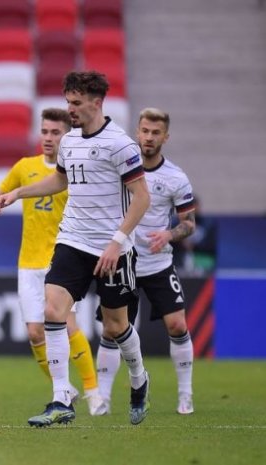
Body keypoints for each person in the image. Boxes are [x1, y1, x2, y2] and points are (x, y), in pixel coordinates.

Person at [0, 71, 152, 427]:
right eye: (68, 102)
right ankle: (61, 397)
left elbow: (142, 198)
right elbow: (60, 180)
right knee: (53, 309)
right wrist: (19, 192)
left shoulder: (120, 145)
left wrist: (118, 242)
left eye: (76, 103)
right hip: (73, 240)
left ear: (97, 103)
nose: (71, 109)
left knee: (114, 327)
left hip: (112, 247)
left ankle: (139, 377)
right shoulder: (69, 141)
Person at [0, 108, 103, 415]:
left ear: (67, 135)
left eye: (55, 132)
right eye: (45, 132)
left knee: (67, 324)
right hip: (28, 263)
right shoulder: (25, 167)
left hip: (62, 259)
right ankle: (63, 389)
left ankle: (93, 392)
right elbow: (0, 193)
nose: (49, 138)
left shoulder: (76, 172)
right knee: (35, 333)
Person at [94, 108, 196, 415]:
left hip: (157, 264)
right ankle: (103, 398)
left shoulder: (175, 177)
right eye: (145, 131)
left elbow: (189, 223)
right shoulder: (120, 169)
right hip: (123, 262)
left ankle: (185, 395)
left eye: (155, 133)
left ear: (165, 137)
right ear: (137, 132)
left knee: (177, 324)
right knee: (112, 330)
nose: (149, 138)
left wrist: (169, 234)